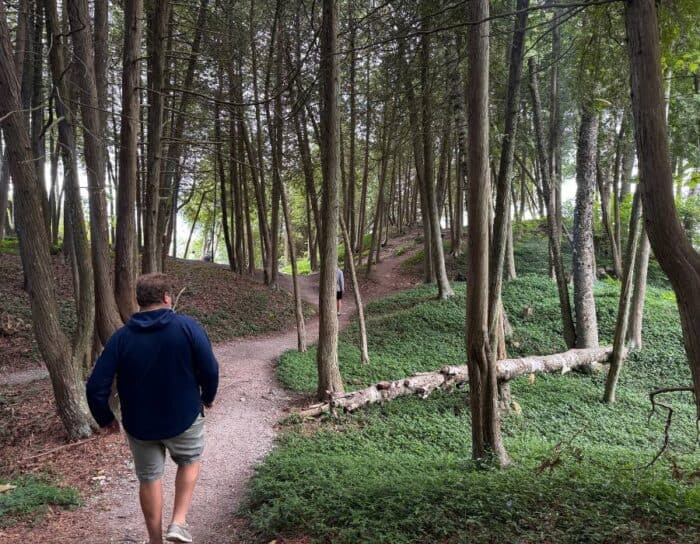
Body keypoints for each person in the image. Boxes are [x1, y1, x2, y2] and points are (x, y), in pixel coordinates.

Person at [86, 273, 219, 544]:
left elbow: (95, 385)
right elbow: (210, 368)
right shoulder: (188, 327)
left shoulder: (121, 338)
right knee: (190, 461)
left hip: (140, 423)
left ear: (139, 301)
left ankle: (155, 540)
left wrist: (106, 418)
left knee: (149, 478)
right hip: (184, 416)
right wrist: (208, 396)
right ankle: (179, 522)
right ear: (167, 298)